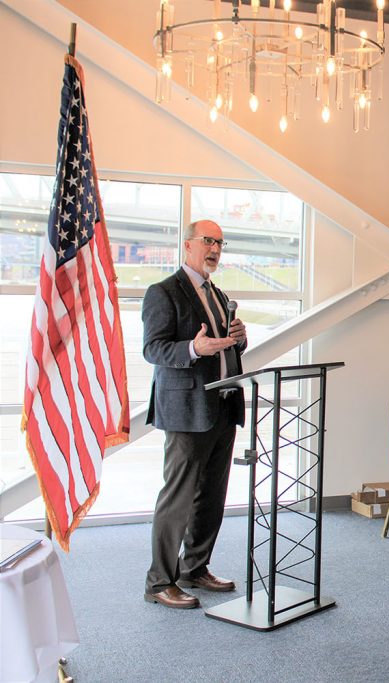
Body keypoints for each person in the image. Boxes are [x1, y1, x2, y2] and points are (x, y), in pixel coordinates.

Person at [141, 219, 247, 609]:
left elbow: (225, 347)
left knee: (212, 497)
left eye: (220, 242)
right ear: (188, 245)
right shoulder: (163, 292)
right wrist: (193, 349)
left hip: (221, 406)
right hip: (186, 410)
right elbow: (154, 349)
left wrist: (239, 337)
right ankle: (159, 582)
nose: (215, 248)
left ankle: (194, 568)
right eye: (208, 240)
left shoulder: (217, 293)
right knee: (179, 498)